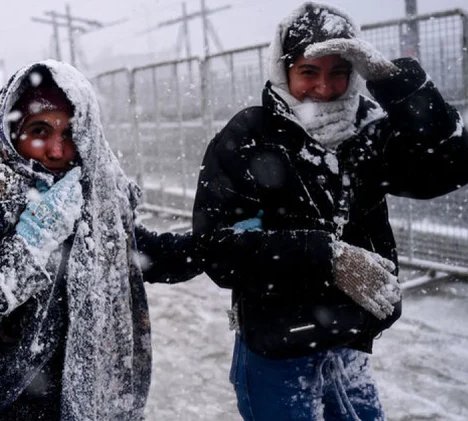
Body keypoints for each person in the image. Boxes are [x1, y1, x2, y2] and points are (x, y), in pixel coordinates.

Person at [192, 3, 468, 420]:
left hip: (348, 339)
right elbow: (219, 248)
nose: (325, 88)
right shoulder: (248, 137)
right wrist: (327, 257)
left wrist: (398, 84)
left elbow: (449, 166)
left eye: (339, 72)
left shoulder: (367, 129)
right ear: (283, 70)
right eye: (309, 72)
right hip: (276, 351)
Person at [0, 60, 205, 420]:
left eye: (70, 133)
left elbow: (139, 254)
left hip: (82, 405)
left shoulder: (91, 198)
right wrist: (28, 247)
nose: (56, 150)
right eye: (39, 130)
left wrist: (217, 242)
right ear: (10, 131)